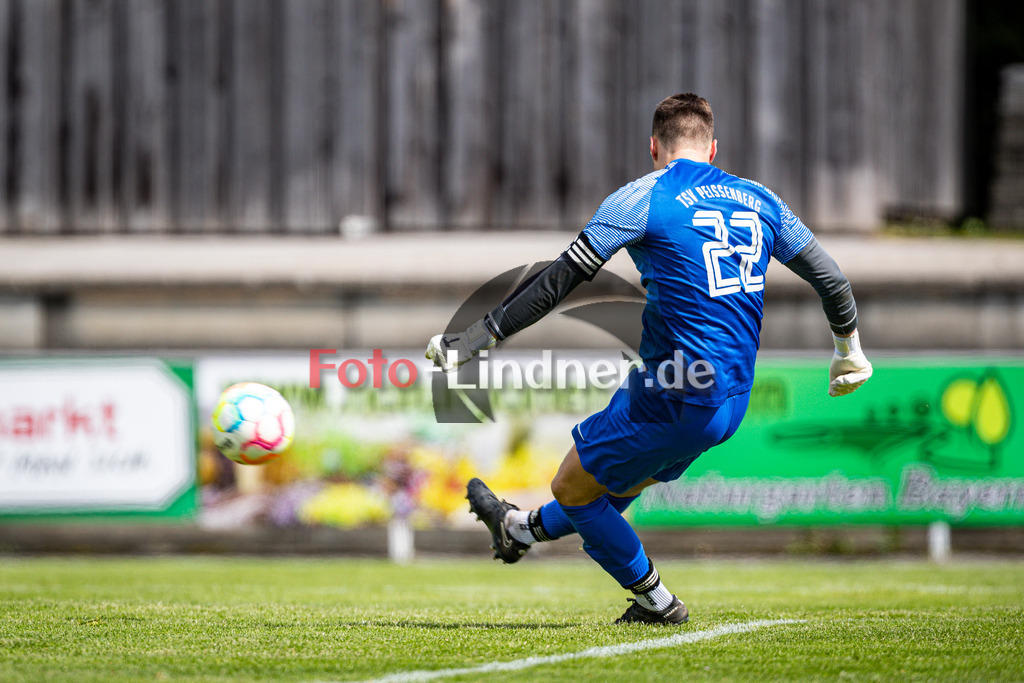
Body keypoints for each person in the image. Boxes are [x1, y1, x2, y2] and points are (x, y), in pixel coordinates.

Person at [425, 93, 872, 625]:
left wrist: (478, 336)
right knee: (610, 488)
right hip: (731, 398)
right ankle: (517, 529)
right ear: (713, 149)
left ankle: (655, 601)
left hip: (679, 389)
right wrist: (848, 351)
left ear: (653, 146)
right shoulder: (761, 199)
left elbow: (560, 279)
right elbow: (832, 280)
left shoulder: (642, 197)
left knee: (572, 486)